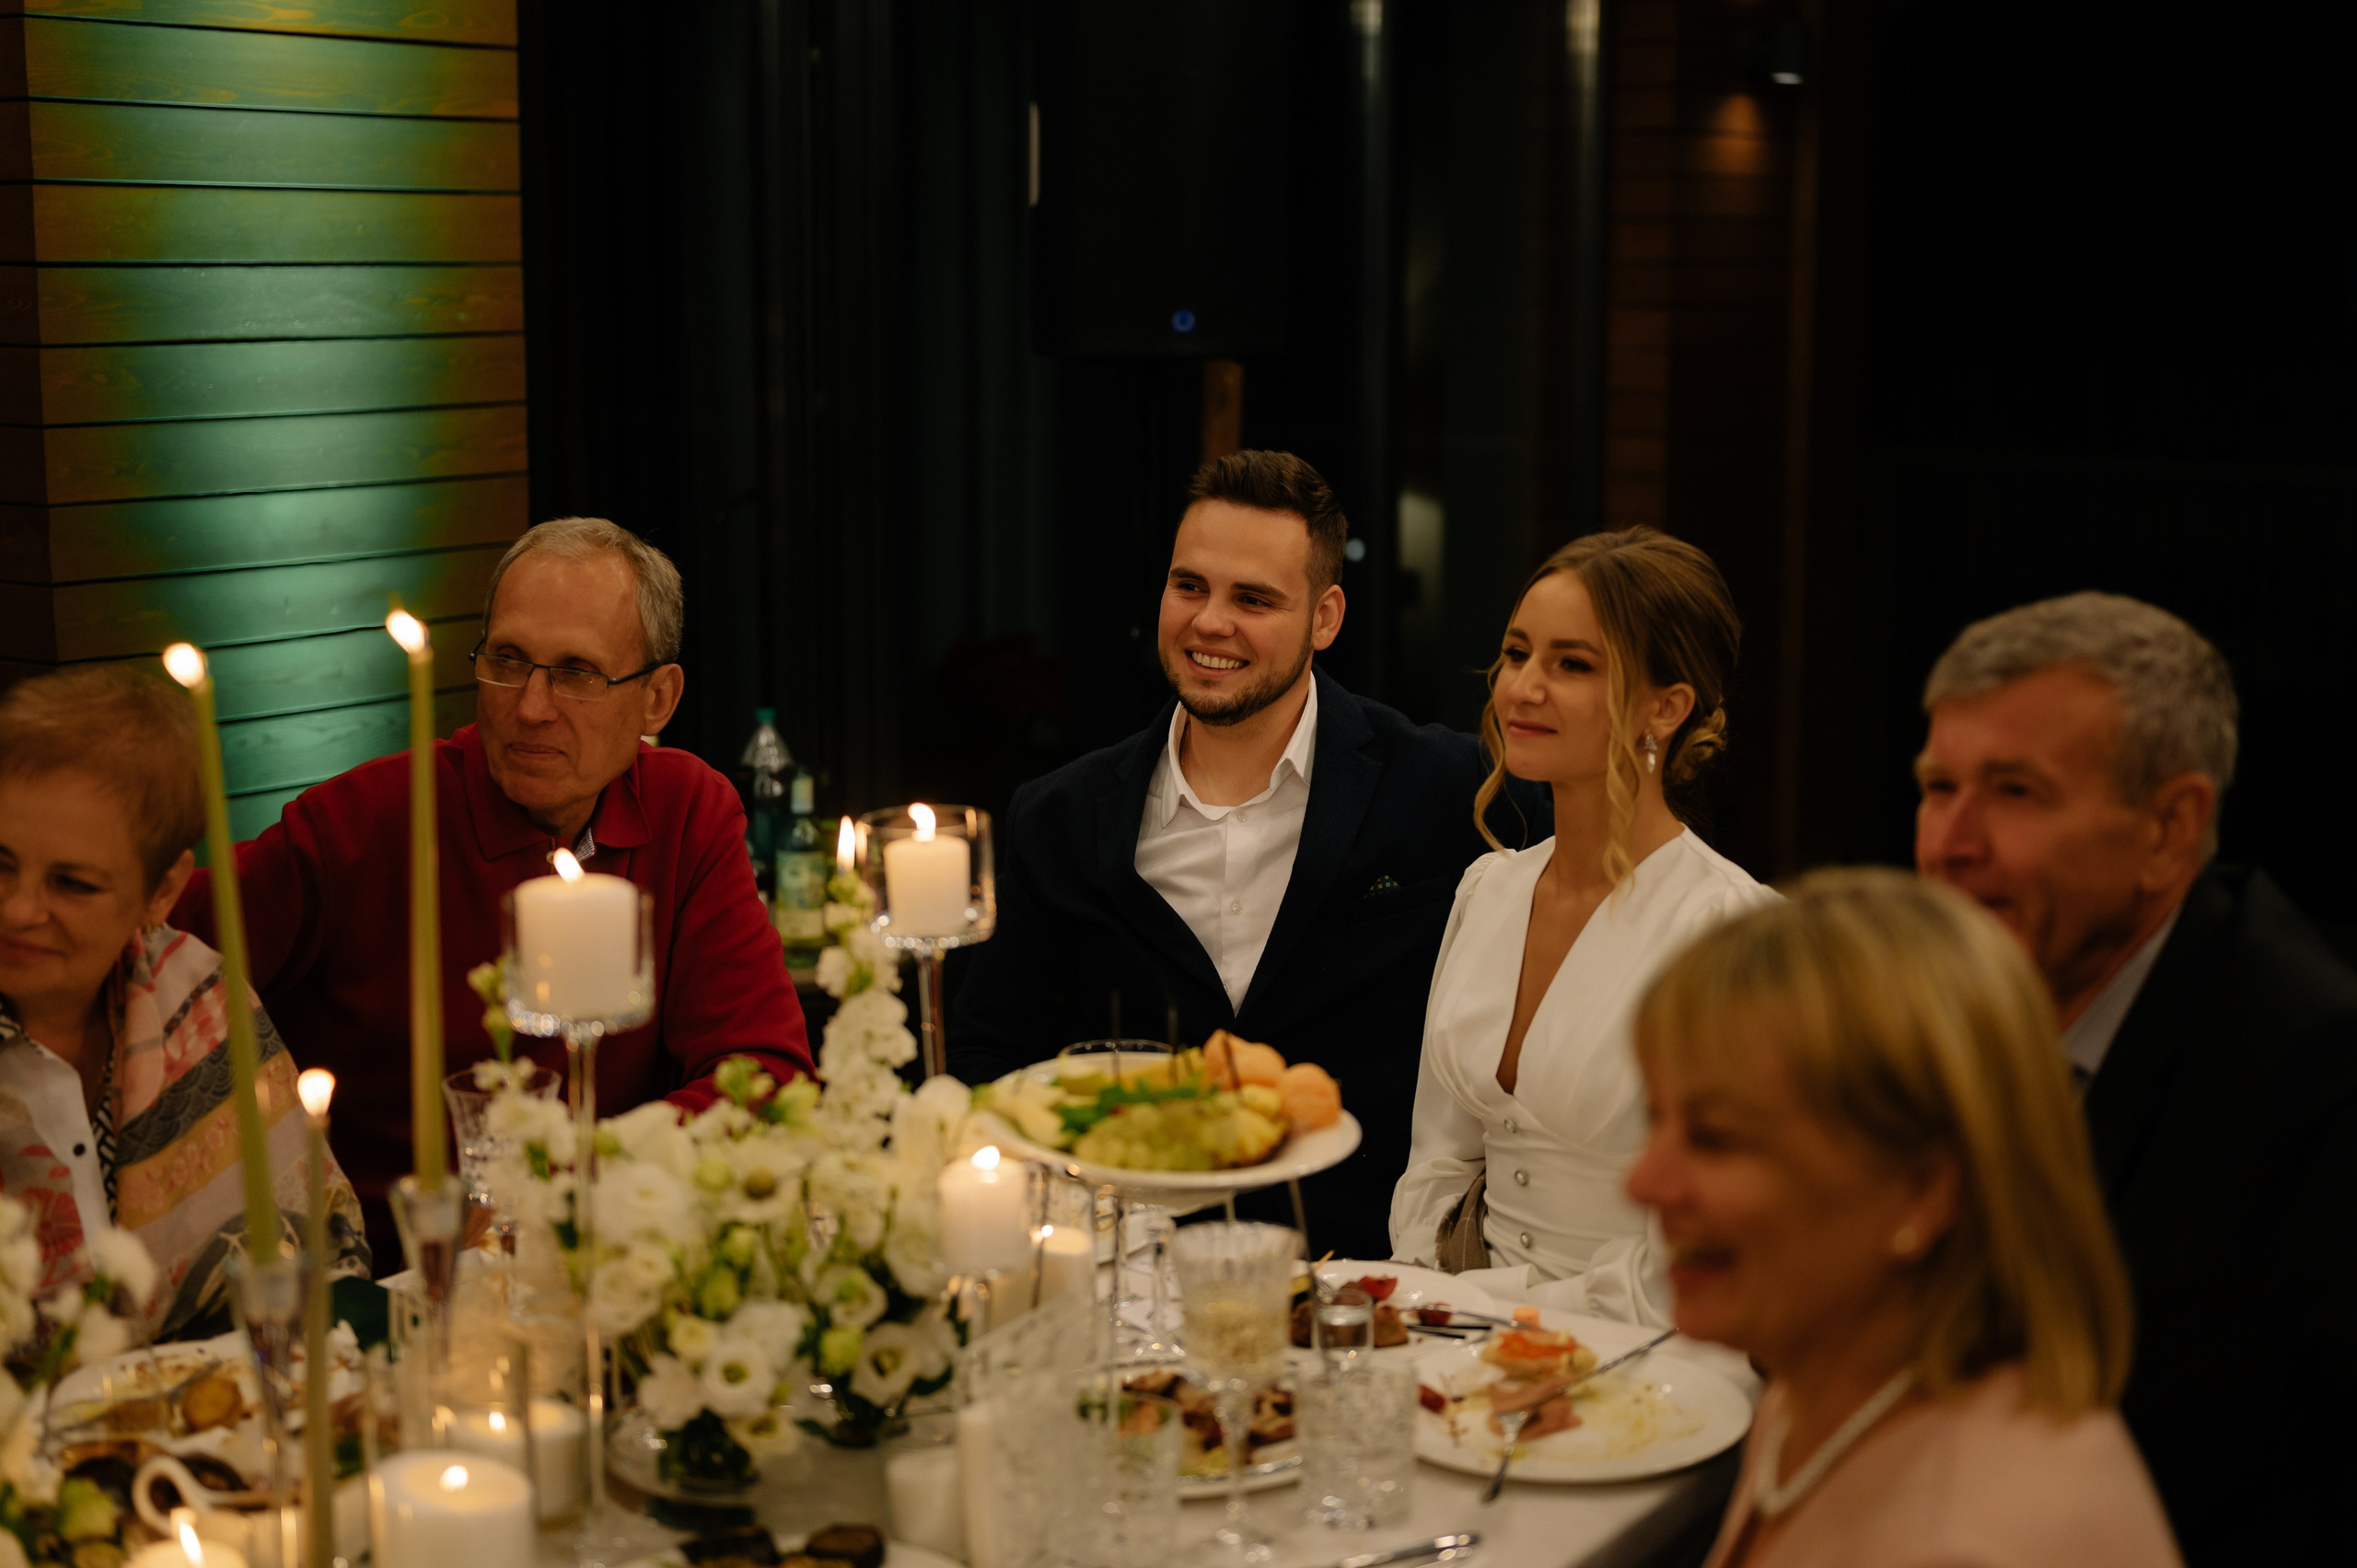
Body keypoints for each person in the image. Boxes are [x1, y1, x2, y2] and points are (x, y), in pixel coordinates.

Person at [947, 451, 1543, 1261]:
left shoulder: (1449, 786)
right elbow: (991, 1056)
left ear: (1325, 618)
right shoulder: (1060, 815)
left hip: (1376, 1280)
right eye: (1189, 586)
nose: (1210, 622)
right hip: (1127, 1279)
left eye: (1253, 599)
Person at [174, 517, 814, 1266]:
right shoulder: (365, 820)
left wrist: (565, 1189)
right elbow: (160, 947)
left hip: (615, 1259)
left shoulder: (689, 812)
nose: (532, 706)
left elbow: (763, 1076)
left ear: (657, 700)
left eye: (576, 672)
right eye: (508, 660)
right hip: (394, 1285)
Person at [1913, 592, 2357, 1565]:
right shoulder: (1950, 998)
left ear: (2168, 828)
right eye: (1938, 787)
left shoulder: (2312, 1078)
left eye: (2014, 791)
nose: (1950, 843)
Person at [1629, 868, 2180, 1567]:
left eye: (1716, 1137)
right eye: (1656, 1120)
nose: (1641, 1181)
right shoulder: (1819, 1388)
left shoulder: (1959, 1544)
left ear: (1923, 1190)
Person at [1388, 528, 1773, 1318]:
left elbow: (1710, 1247)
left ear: (1666, 706)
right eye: (1517, 652)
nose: (1523, 687)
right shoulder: (1487, 889)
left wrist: (1498, 1313)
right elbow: (1436, 1161)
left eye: (1573, 664)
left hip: (1648, 1361)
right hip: (1456, 1335)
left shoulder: (1733, 936)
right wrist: (1426, 1299)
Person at [0, 668, 371, 1341]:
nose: (20, 908)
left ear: (162, 889)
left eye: (72, 883)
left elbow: (322, 1249)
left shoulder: (197, 995)